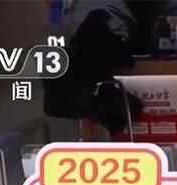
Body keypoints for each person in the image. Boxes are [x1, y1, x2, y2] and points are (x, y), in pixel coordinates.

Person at [43, 7, 141, 140]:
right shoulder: (107, 39)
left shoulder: (76, 40)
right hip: (91, 100)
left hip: (60, 104)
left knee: (98, 103)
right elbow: (129, 64)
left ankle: (93, 137)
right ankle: (112, 139)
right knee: (134, 105)